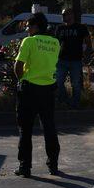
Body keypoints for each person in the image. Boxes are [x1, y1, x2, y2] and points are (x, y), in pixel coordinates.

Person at [13, 12, 61, 178]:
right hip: (48, 90)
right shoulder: (55, 42)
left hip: (29, 90)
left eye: (28, 27)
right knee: (49, 127)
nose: (27, 30)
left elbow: (18, 66)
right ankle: (53, 165)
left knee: (25, 129)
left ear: (35, 26)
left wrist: (21, 80)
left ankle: (25, 167)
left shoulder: (29, 41)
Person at [54, 8, 91, 108]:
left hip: (76, 60)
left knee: (76, 84)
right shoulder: (60, 28)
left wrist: (87, 55)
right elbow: (55, 43)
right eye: (62, 15)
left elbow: (88, 41)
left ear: (71, 15)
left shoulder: (81, 27)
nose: (63, 16)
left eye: (65, 14)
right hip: (62, 60)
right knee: (58, 82)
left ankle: (75, 103)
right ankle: (65, 100)